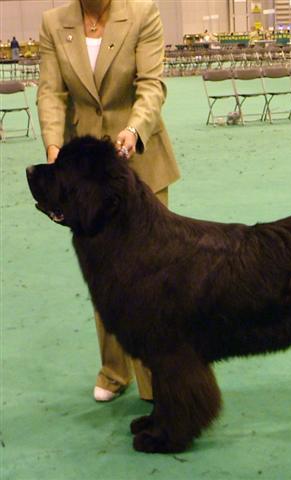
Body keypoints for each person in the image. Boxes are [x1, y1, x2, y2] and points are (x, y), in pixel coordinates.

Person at [37, 0, 180, 402]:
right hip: (84, 175)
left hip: (141, 160)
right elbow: (51, 93)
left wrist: (135, 129)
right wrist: (53, 148)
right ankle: (115, 371)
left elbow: (152, 84)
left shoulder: (142, 13)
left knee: (154, 279)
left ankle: (156, 379)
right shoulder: (54, 22)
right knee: (105, 274)